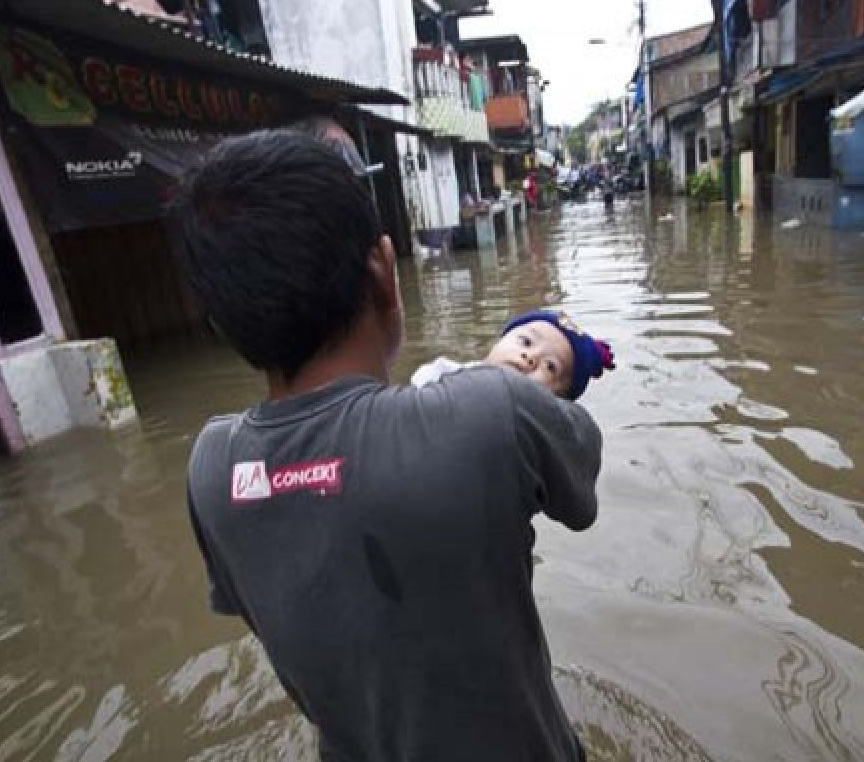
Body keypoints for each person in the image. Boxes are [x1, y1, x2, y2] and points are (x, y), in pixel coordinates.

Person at [169, 130, 603, 761]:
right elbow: (580, 485)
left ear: (223, 321)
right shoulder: (490, 410)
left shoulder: (210, 470)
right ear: (381, 270)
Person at [411, 309, 616, 399]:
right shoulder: (442, 375)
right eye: (526, 342)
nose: (530, 358)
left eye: (550, 367)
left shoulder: (541, 435)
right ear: (498, 341)